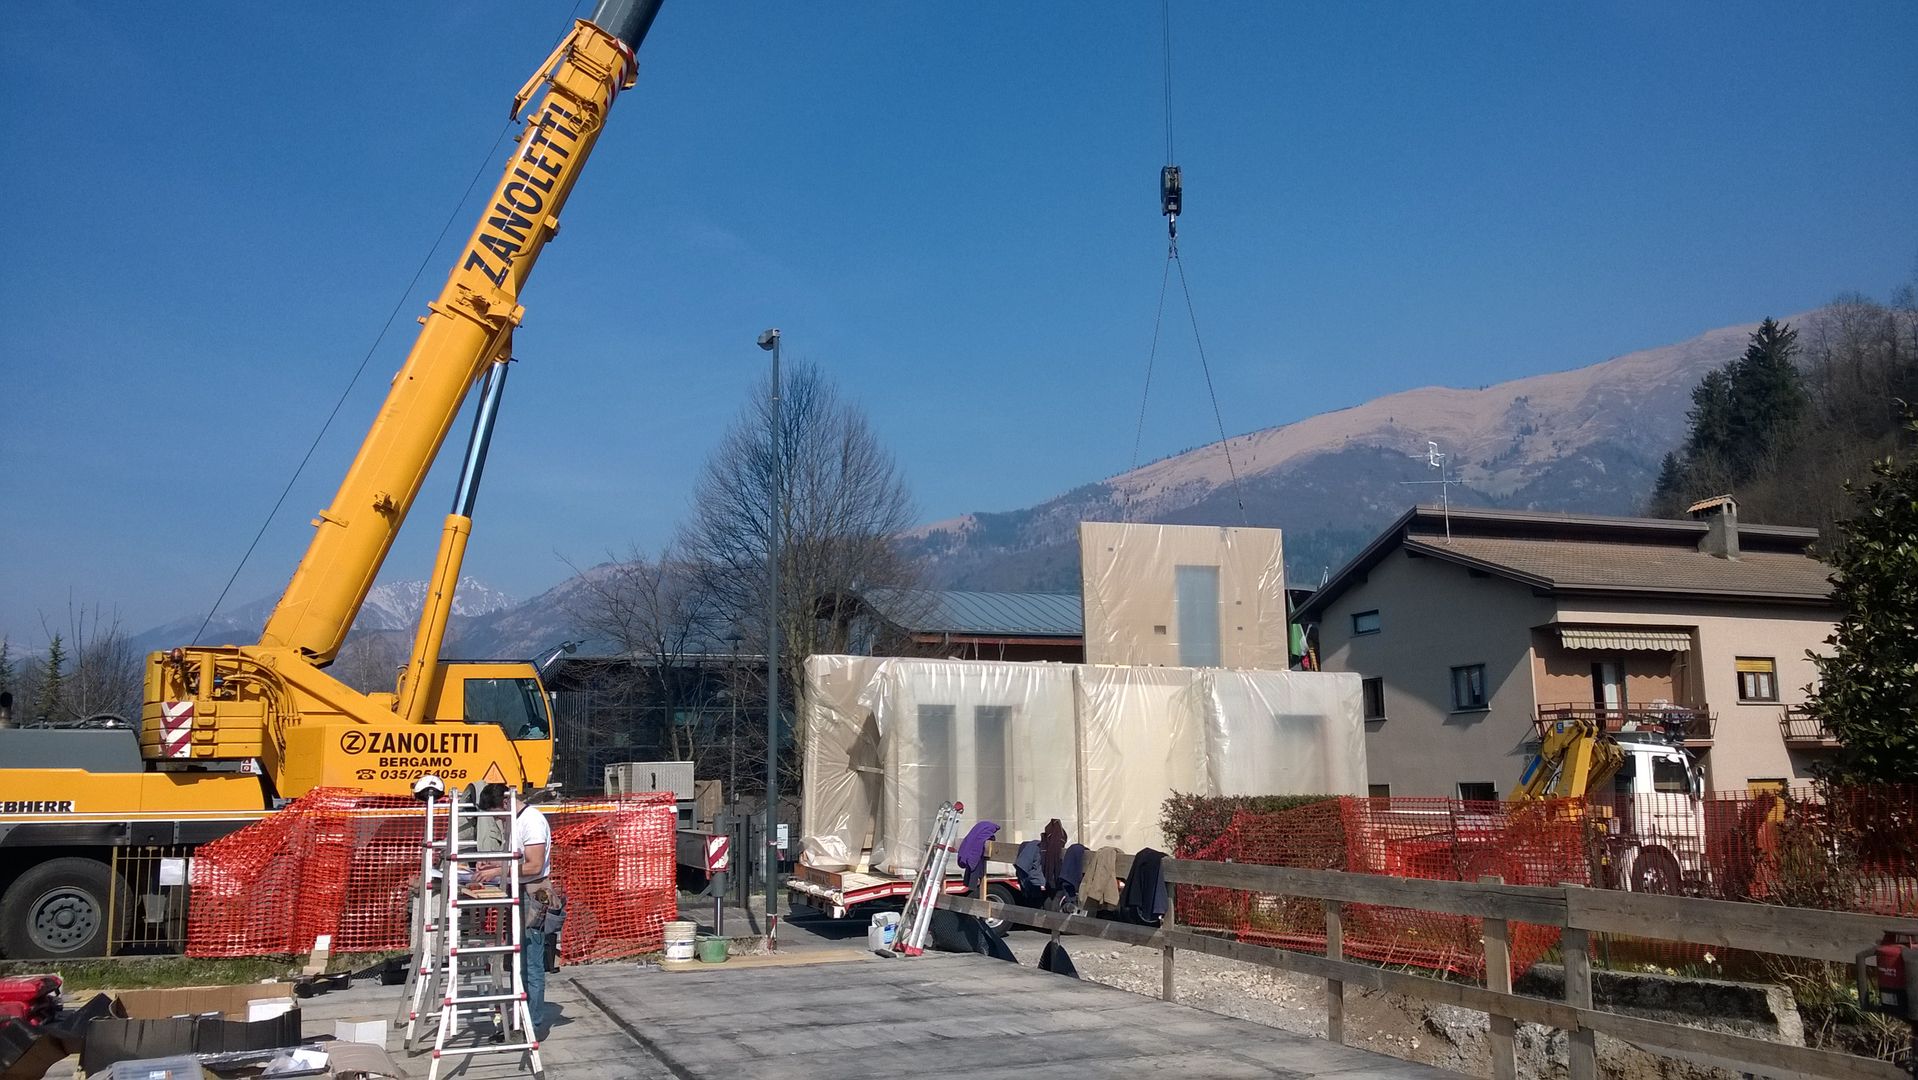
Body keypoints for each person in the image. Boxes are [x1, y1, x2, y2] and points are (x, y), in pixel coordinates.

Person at [474, 784, 552, 1037]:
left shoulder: (531, 821)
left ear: (507, 803)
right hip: (521, 893)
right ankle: (523, 1017)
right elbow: (517, 859)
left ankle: (534, 1025)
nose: (497, 819)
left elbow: (534, 866)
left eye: (497, 814)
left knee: (531, 963)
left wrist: (498, 870)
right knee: (519, 961)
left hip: (533, 894)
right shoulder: (515, 820)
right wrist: (496, 862)